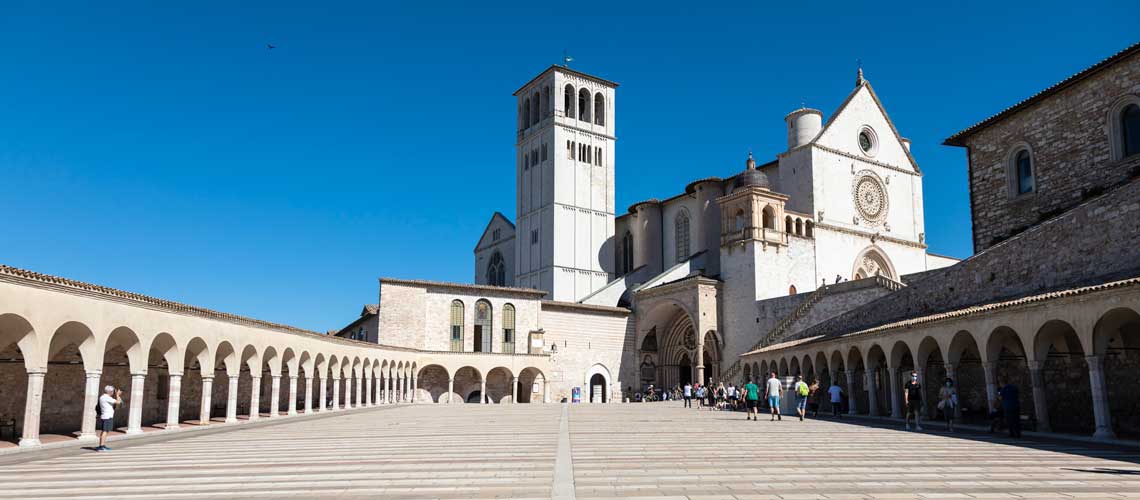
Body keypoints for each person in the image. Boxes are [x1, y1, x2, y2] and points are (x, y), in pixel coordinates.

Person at [97, 385, 123, 452]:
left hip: (105, 416)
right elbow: (119, 402)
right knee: (105, 431)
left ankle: (102, 445)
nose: (113, 393)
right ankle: (101, 446)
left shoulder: (103, 397)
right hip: (107, 417)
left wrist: (117, 395)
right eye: (113, 391)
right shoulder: (107, 398)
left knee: (104, 431)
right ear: (110, 392)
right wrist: (117, 395)